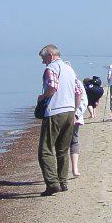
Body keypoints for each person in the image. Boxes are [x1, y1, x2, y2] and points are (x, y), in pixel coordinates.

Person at [37, 44, 85, 196]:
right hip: (69, 111)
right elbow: (78, 92)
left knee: (45, 149)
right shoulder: (69, 69)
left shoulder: (51, 68)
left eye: (43, 58)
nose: (43, 62)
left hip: (55, 111)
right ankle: (62, 181)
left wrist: (42, 97)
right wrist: (74, 110)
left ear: (50, 55)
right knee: (62, 148)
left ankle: (52, 183)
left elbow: (53, 86)